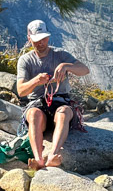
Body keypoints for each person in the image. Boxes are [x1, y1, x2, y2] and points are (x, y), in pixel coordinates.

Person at [16, 19, 89, 168]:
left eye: (43, 38)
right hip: (37, 103)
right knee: (33, 114)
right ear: (29, 38)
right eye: (37, 40)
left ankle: (53, 155)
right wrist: (36, 81)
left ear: (48, 37)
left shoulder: (60, 55)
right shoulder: (25, 60)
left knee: (63, 112)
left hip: (61, 101)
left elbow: (84, 70)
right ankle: (38, 159)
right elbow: (21, 90)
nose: (41, 43)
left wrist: (66, 66)